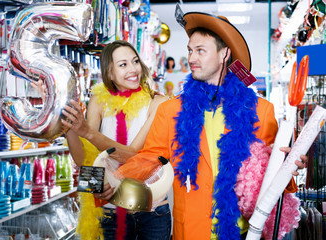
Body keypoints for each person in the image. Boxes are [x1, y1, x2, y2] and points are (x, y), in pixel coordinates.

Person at [108, 11, 308, 240]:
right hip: (191, 232)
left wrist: (291, 163)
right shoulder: (170, 111)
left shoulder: (261, 111)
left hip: (244, 232)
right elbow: (149, 160)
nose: (192, 58)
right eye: (190, 50)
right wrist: (115, 182)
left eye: (200, 50)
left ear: (224, 53)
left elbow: (273, 169)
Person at [60, 40, 171, 240]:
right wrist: (68, 127)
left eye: (135, 61)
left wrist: (87, 132)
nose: (133, 69)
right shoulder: (98, 101)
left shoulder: (159, 103)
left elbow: (134, 156)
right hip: (110, 214)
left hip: (152, 213)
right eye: (123, 64)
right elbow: (85, 160)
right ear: (109, 73)